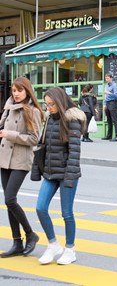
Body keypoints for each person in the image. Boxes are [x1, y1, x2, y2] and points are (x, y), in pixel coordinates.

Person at [31, 87, 86, 265]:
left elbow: (74, 152)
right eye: (46, 104)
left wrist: (69, 178)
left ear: (60, 102)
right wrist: (38, 170)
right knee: (40, 208)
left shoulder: (73, 120)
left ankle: (70, 249)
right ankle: (53, 244)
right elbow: (42, 146)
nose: (49, 108)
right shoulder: (49, 119)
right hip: (50, 172)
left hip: (67, 173)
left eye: (52, 104)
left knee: (67, 213)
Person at [0, 77, 44, 258]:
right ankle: (17, 242)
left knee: (10, 199)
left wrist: (10, 134)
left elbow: (35, 139)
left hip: (20, 160)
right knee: (9, 202)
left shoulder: (32, 111)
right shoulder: (9, 108)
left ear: (27, 91)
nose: (16, 94)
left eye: (19, 90)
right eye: (13, 90)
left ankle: (30, 234)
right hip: (4, 159)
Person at [102, 73, 117, 142]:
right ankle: (109, 136)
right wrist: (104, 104)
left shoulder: (114, 85)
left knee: (114, 120)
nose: (106, 80)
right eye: (105, 78)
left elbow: (116, 96)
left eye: (107, 78)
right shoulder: (106, 85)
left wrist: (109, 93)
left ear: (111, 78)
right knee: (108, 120)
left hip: (113, 102)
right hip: (107, 103)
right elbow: (105, 96)